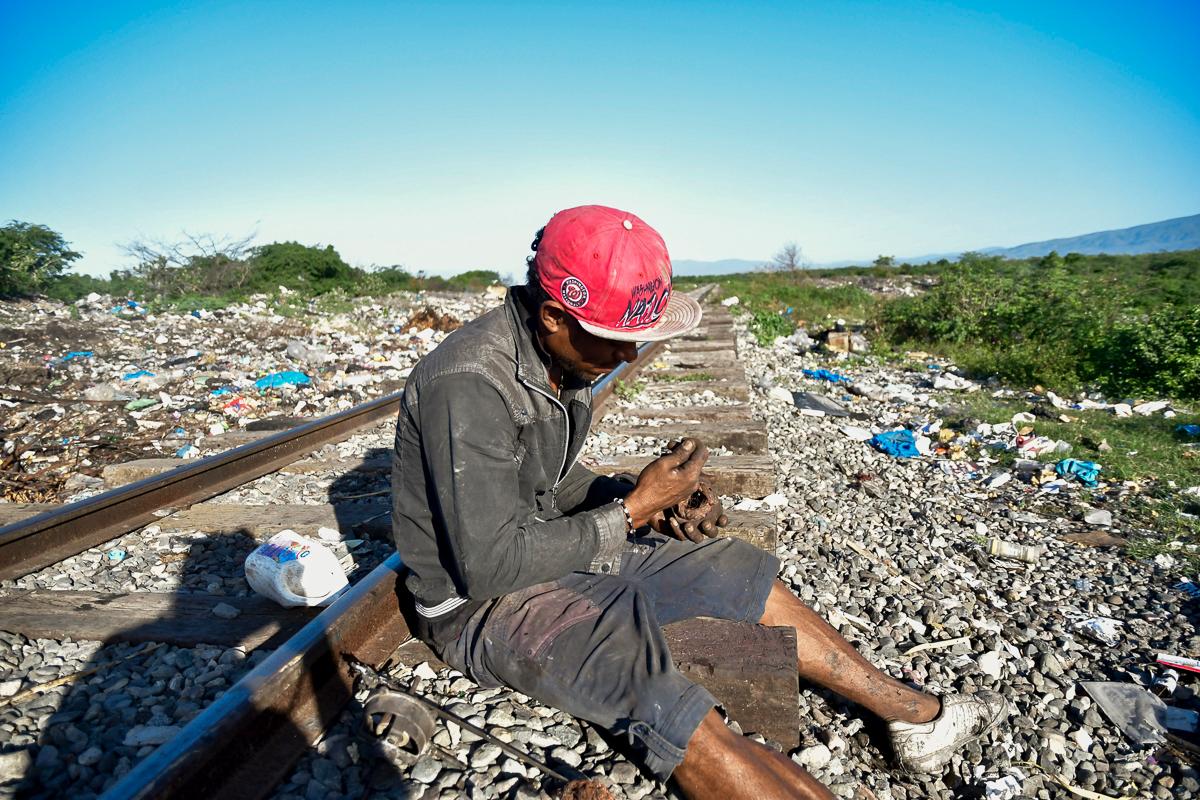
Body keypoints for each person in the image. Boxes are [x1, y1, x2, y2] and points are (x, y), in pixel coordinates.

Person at [391, 205, 1006, 799]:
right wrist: (630, 512)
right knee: (671, 703)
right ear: (554, 315)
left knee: (729, 569)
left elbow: (544, 483)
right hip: (482, 604)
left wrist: (644, 498)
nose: (628, 356)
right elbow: (489, 564)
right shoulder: (470, 384)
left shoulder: (555, 360)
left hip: (546, 548)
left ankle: (910, 716)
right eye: (615, 340)